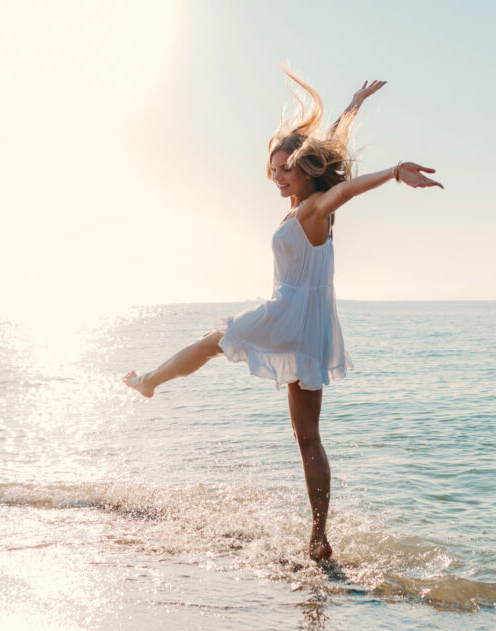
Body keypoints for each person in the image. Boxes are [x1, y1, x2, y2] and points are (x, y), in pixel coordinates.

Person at [124, 72, 442, 560]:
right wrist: (353, 104)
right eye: (274, 169)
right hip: (312, 327)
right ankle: (318, 538)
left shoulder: (315, 208)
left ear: (307, 172)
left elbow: (347, 189)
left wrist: (395, 172)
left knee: (217, 339)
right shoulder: (306, 204)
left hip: (289, 311)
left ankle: (148, 381)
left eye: (286, 169)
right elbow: (331, 148)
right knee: (307, 437)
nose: (278, 176)